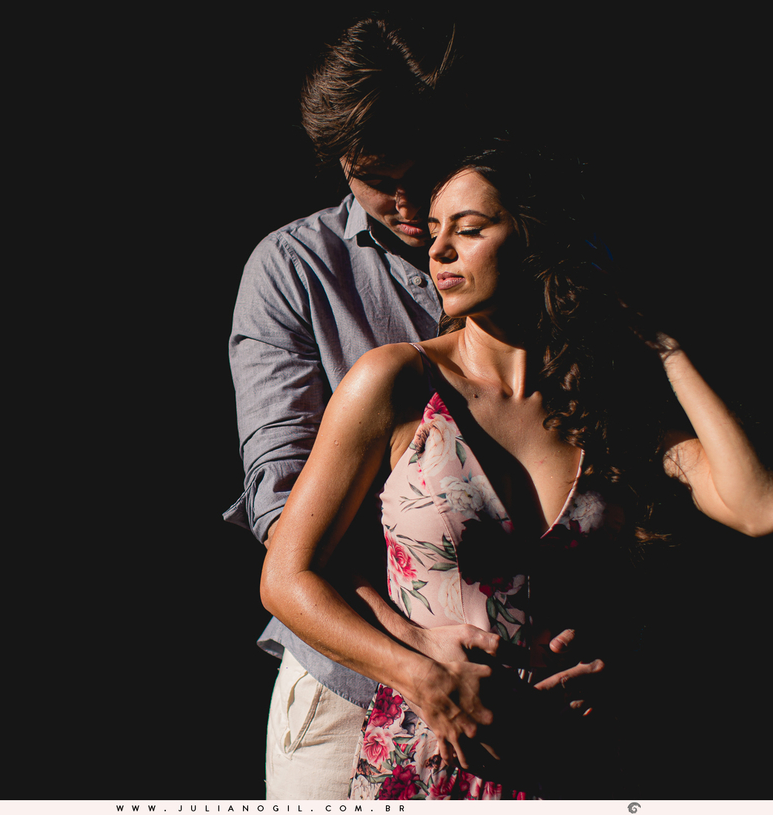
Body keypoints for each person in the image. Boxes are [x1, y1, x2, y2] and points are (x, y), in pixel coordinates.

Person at [259, 141, 773, 799]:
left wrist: (662, 346)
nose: (439, 249)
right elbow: (285, 576)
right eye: (437, 231)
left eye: (470, 229)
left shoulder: (600, 404)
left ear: (537, 241)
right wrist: (421, 675)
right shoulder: (397, 381)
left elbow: (760, 506)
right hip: (425, 765)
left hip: (575, 769)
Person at [226, 15, 601, 800]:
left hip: (521, 699)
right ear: (340, 162)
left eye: (417, 168)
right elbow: (285, 517)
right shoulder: (294, 272)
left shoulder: (522, 262)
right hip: (348, 687)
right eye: (374, 176)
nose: (403, 200)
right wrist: (416, 655)